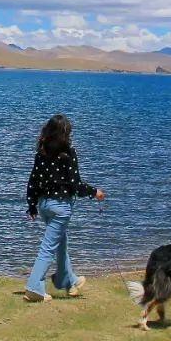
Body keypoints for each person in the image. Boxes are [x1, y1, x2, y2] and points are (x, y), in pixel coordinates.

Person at [23, 114, 104, 302]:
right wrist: (95, 192)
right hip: (60, 208)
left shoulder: (41, 153)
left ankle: (66, 279)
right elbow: (75, 184)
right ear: (64, 135)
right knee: (48, 248)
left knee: (60, 243)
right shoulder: (68, 154)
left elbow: (33, 181)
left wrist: (32, 206)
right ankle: (34, 286)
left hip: (44, 205)